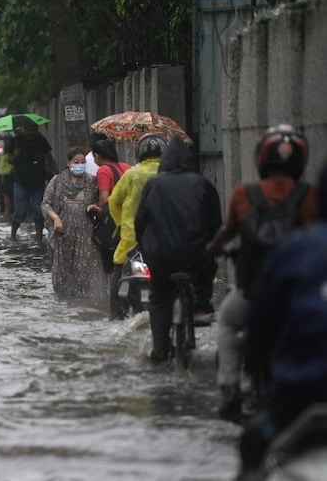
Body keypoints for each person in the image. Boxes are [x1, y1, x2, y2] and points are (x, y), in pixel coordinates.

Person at [205, 124, 317, 422]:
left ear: (261, 159)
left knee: (227, 322)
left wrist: (213, 248)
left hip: (253, 295)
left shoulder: (245, 195)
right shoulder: (310, 196)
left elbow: (227, 232)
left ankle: (229, 389)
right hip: (297, 297)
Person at [237, 162, 326, 474]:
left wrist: (252, 356)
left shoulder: (296, 250)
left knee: (252, 444)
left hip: (299, 399)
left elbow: (259, 326)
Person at [135, 135, 222, 363]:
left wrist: (144, 248)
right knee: (209, 267)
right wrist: (213, 247)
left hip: (160, 257)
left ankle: (160, 350)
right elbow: (216, 223)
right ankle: (201, 306)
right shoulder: (203, 184)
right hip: (195, 255)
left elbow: (140, 221)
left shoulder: (153, 185)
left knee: (159, 296)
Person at [108, 132, 167, 314]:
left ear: (139, 153)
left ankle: (116, 314)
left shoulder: (131, 175)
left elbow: (114, 201)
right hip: (166, 241)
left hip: (131, 240)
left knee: (118, 268)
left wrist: (121, 223)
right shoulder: (171, 174)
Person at [40, 146, 107, 301]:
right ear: (68, 163)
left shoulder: (92, 181)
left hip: (86, 232)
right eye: (76, 162)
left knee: (86, 267)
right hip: (63, 232)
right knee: (63, 268)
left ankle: (87, 302)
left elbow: (101, 203)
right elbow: (46, 204)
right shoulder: (57, 181)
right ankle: (65, 302)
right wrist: (56, 218)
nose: (80, 165)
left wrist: (95, 207)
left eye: (83, 162)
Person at [87, 137, 132, 316]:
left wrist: (96, 209)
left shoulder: (103, 170)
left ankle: (110, 299)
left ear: (97, 156)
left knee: (110, 266)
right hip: (128, 220)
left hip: (112, 221)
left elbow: (104, 199)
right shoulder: (126, 167)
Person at [12, 121, 57, 242]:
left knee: (38, 210)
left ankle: (39, 237)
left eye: (34, 130)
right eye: (29, 130)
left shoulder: (40, 140)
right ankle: (13, 235)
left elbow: (49, 156)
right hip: (21, 181)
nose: (31, 133)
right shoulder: (16, 141)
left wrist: (57, 173)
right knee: (20, 210)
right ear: (24, 129)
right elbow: (7, 160)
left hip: (38, 180)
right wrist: (15, 155)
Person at [0, 132, 16, 222]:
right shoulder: (3, 151)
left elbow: (11, 164)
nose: (6, 142)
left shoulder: (12, 151)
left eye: (7, 140)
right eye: (4, 140)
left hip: (8, 174)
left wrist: (5, 173)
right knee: (4, 194)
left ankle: (8, 212)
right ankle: (7, 212)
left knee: (7, 194)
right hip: (2, 174)